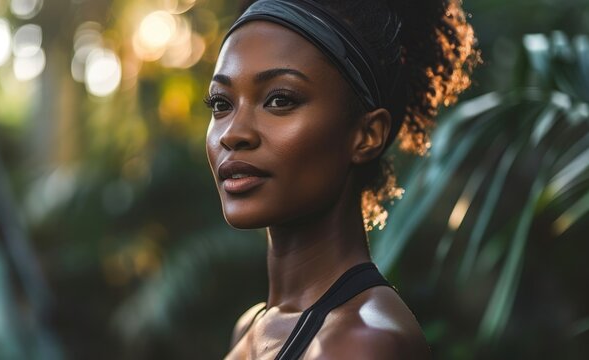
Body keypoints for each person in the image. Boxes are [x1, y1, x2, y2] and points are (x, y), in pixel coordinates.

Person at [204, 0, 479, 358]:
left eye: (279, 99)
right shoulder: (252, 328)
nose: (233, 133)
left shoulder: (360, 342)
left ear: (367, 134)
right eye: (221, 103)